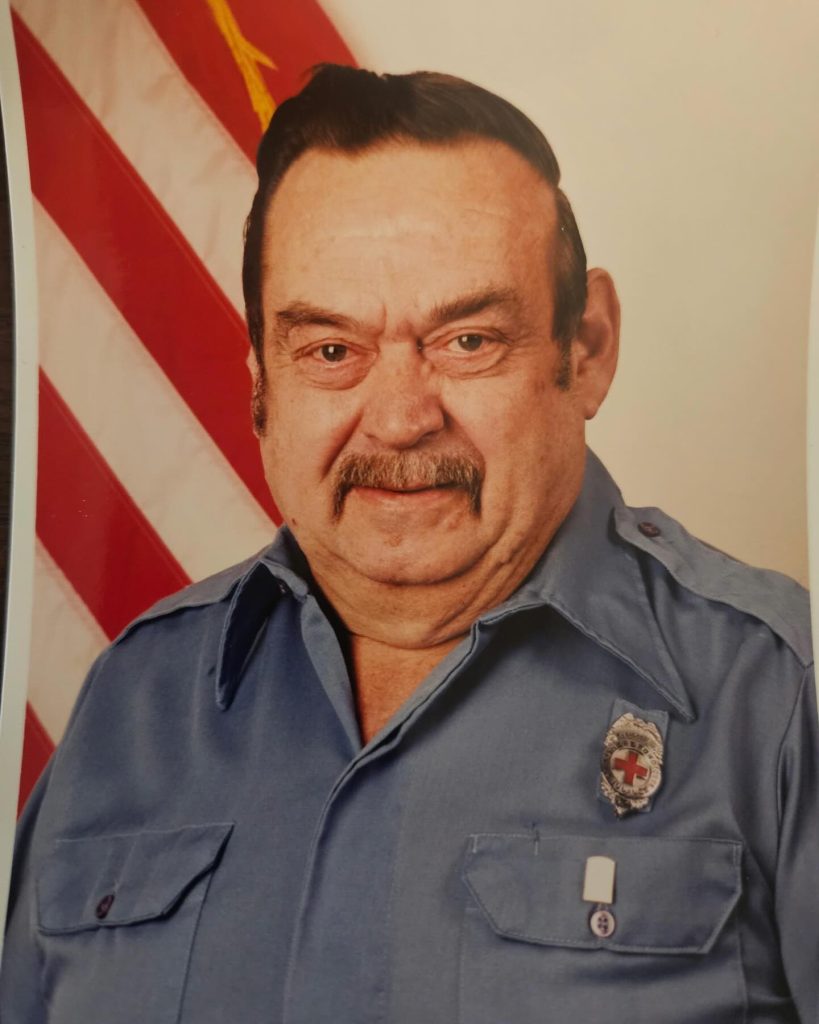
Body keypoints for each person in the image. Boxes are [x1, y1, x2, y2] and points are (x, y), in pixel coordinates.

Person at [0, 65, 815, 1024]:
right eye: (330, 351)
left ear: (585, 348)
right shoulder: (128, 709)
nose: (396, 421)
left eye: (466, 340)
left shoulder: (777, 696)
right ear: (262, 378)